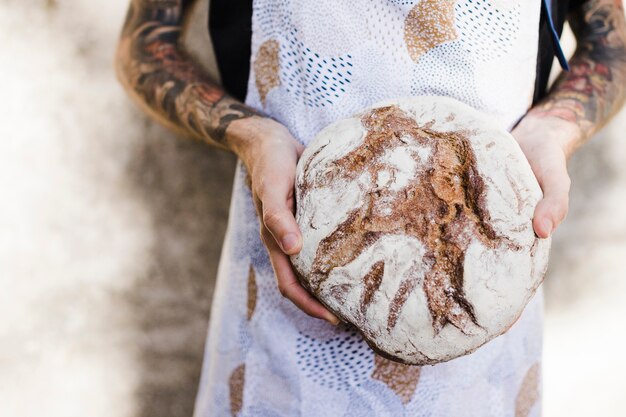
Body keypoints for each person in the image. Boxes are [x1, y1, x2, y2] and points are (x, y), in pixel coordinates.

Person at [116, 0, 626, 415]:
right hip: (283, 309)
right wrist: (251, 134)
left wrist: (554, 128)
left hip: (487, 300)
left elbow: (613, 45)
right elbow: (144, 46)